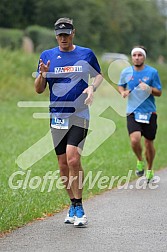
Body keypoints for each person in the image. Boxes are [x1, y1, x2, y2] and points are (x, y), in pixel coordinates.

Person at [34, 17, 103, 226]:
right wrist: (42, 75)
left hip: (79, 114)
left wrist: (92, 87)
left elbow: (98, 75)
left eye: (66, 34)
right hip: (57, 116)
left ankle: (80, 206)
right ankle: (72, 203)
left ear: (73, 33)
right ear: (56, 35)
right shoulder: (47, 56)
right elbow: (38, 89)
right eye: (59, 35)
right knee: (62, 164)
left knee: (73, 159)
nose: (63, 38)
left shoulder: (85, 53)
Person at [118, 45, 162, 182]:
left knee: (149, 144)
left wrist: (149, 88)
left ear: (144, 57)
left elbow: (159, 92)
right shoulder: (126, 72)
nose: (137, 58)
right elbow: (121, 85)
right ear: (132, 57)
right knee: (134, 140)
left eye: (139, 55)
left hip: (149, 112)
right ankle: (139, 160)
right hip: (132, 111)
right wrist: (122, 92)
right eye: (134, 55)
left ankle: (149, 168)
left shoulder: (152, 72)